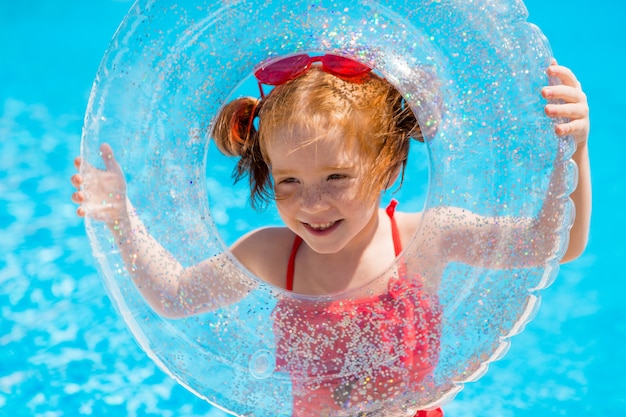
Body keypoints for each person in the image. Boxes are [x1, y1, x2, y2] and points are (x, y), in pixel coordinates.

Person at [71, 55, 591, 416]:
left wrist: (574, 151)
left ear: (386, 167)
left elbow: (554, 244)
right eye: (289, 182)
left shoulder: (426, 240)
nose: (311, 204)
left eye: (336, 178)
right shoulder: (274, 254)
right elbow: (174, 294)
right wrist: (120, 216)